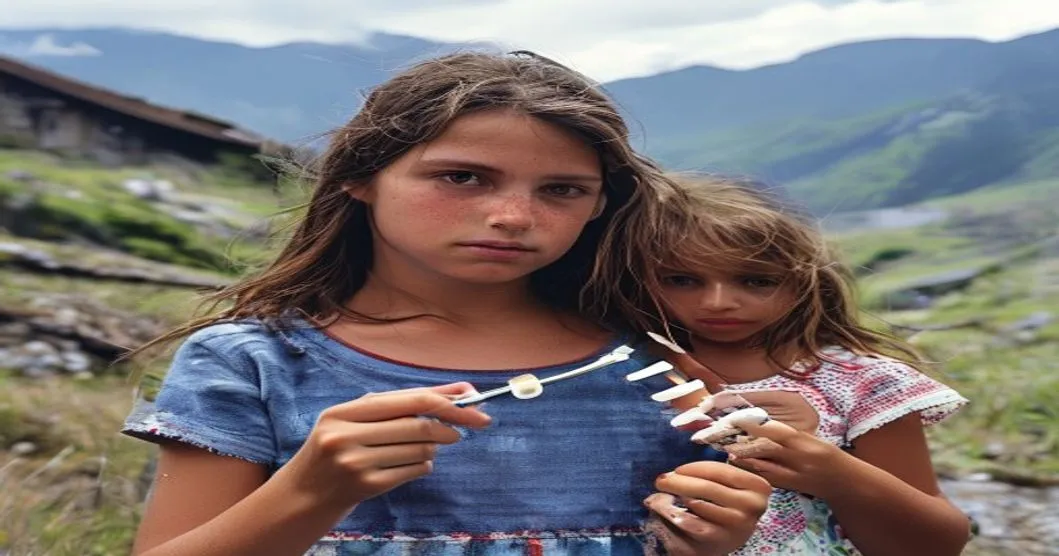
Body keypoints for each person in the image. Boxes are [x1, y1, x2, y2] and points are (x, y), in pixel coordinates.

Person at [120, 52, 772, 556]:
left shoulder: (650, 364)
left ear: (599, 206)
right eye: (462, 177)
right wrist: (309, 492)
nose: (514, 216)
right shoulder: (253, 363)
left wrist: (709, 537)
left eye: (561, 190)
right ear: (359, 176)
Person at [590, 175, 973, 555]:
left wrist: (834, 472)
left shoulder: (865, 384)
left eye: (756, 281)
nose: (718, 301)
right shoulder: (615, 370)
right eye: (681, 280)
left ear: (802, 280)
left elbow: (938, 543)